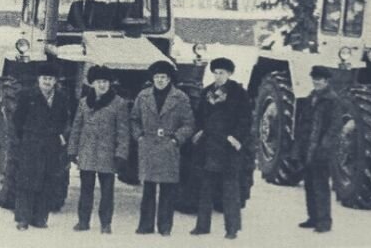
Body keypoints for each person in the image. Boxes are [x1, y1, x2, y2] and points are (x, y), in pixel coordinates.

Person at [131, 61, 195, 236]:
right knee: (148, 189)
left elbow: (188, 124)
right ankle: (145, 226)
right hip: (149, 147)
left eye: (163, 77)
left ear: (169, 79)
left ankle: (165, 227)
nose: (160, 80)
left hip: (168, 148)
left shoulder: (180, 98)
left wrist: (176, 139)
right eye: (157, 77)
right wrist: (139, 136)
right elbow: (134, 119)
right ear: (152, 78)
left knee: (168, 190)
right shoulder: (143, 96)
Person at [191, 57, 251, 240]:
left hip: (228, 148)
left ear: (229, 74)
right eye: (215, 73)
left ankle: (232, 229)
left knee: (230, 191)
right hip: (209, 147)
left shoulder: (239, 93)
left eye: (222, 73)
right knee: (206, 189)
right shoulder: (206, 92)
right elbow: (199, 116)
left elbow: (246, 118)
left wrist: (236, 138)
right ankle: (202, 226)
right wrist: (199, 132)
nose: (218, 76)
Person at [67, 65, 130, 234]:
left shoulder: (119, 104)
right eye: (98, 82)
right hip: (87, 152)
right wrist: (72, 150)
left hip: (107, 155)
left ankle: (105, 223)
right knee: (86, 189)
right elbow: (76, 127)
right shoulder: (83, 103)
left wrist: (121, 154)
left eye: (105, 82)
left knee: (107, 192)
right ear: (92, 84)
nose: (102, 85)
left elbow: (123, 132)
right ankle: (83, 221)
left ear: (110, 84)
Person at [12, 62, 71, 231]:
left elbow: (65, 120)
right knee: (27, 181)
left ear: (55, 81)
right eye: (44, 78)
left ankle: (40, 218)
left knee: (47, 180)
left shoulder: (61, 98)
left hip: (51, 145)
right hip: (31, 144)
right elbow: (17, 120)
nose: (47, 81)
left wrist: (61, 137)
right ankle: (23, 218)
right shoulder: (27, 96)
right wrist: (24, 140)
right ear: (38, 79)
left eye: (51, 78)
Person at [295, 66, 341, 233]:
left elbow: (335, 127)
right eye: (314, 78)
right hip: (308, 149)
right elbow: (304, 123)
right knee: (309, 185)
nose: (316, 82)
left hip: (321, 151)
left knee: (321, 186)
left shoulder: (332, 100)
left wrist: (324, 147)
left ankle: (324, 222)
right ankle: (312, 218)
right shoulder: (311, 97)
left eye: (319, 79)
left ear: (326, 81)